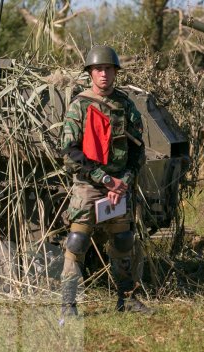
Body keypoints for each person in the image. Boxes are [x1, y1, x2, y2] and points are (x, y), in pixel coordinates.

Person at [60, 45, 149, 316]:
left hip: (119, 187)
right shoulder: (81, 105)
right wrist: (105, 179)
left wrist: (123, 181)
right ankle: (68, 305)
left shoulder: (126, 106)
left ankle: (127, 299)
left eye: (108, 69)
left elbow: (137, 150)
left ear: (115, 72)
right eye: (98, 69)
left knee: (123, 240)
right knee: (77, 242)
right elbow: (70, 152)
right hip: (89, 186)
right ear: (90, 73)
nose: (104, 74)